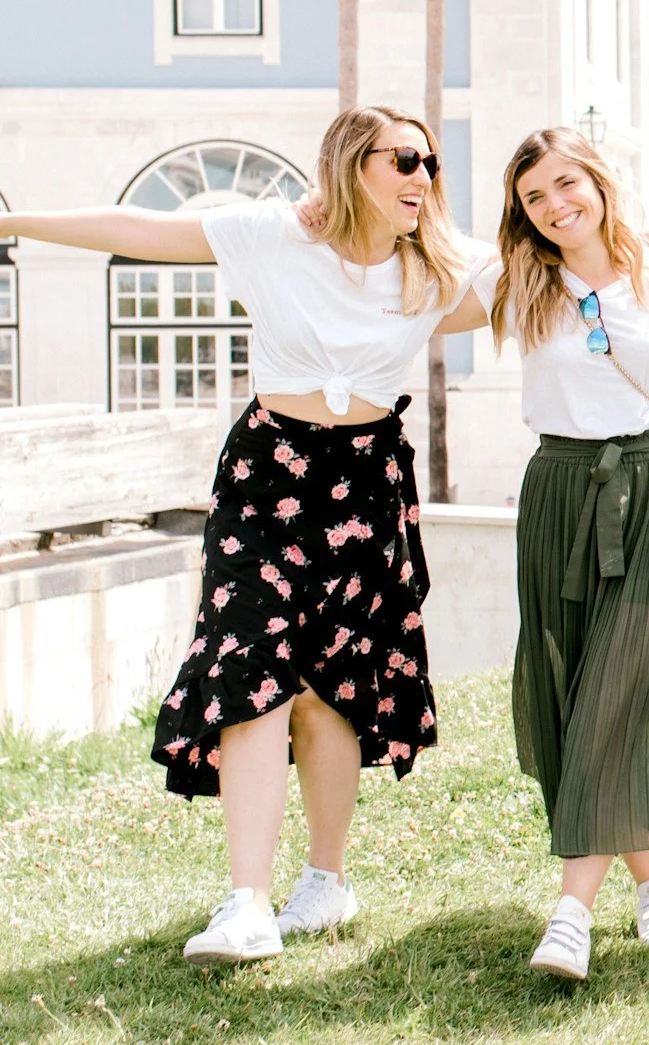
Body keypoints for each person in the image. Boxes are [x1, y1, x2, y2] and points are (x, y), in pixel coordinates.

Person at [0, 107, 486, 965]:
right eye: (406, 159)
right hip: (268, 480)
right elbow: (139, 228)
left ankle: (326, 881)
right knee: (251, 666)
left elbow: (554, 264)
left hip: (366, 485)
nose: (423, 176)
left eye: (432, 163)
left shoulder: (436, 266)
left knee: (333, 683)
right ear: (352, 163)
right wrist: (16, 222)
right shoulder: (275, 236)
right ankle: (247, 902)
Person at [489, 129, 649, 982]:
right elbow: (412, 268)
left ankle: (571, 912)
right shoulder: (516, 279)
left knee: (625, 682)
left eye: (565, 184)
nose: (555, 206)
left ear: (599, 182)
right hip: (560, 486)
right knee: (572, 685)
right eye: (534, 197)